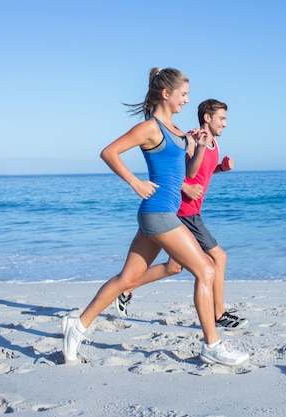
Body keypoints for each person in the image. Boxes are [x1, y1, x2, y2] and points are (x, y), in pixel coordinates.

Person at [61, 67, 249, 367]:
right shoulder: (151, 128)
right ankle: (212, 344)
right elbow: (109, 152)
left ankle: (78, 325)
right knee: (206, 270)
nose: (187, 100)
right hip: (158, 213)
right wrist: (135, 183)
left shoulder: (177, 132)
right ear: (166, 94)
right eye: (183, 94)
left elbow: (186, 175)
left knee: (128, 278)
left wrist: (199, 146)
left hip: (160, 213)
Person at [112, 99, 248, 330]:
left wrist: (220, 168)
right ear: (207, 117)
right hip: (185, 211)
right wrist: (185, 187)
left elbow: (201, 173)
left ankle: (126, 288)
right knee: (219, 258)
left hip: (189, 211)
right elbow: (181, 172)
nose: (225, 124)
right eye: (222, 118)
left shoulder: (212, 143)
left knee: (173, 267)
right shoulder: (192, 139)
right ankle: (219, 314)